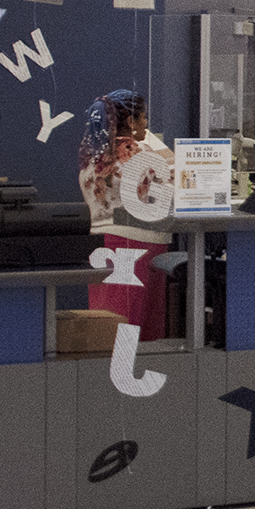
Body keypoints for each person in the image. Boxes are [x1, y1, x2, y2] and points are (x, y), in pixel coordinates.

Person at [77, 89, 170, 340]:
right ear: (131, 121)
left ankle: (102, 379)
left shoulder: (92, 159)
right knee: (138, 333)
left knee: (106, 329)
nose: (147, 124)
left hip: (101, 244)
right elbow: (175, 182)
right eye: (143, 118)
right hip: (138, 246)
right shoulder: (139, 155)